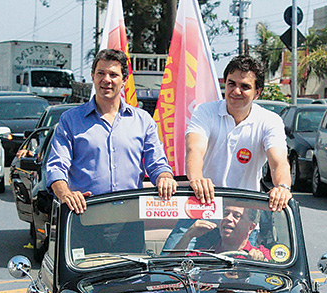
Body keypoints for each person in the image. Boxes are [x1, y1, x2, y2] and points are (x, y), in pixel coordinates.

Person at [45, 48, 176, 214]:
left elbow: (157, 164)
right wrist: (66, 194)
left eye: (113, 75)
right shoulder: (70, 120)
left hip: (129, 218)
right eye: (101, 73)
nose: (106, 80)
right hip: (84, 216)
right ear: (93, 77)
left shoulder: (143, 121)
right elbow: (56, 166)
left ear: (124, 80)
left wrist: (165, 178)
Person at [184, 55, 292, 212]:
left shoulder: (270, 120)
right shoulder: (204, 111)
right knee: (176, 238)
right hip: (202, 203)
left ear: (257, 93)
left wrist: (282, 187)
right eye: (231, 84)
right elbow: (194, 149)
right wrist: (197, 179)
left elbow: (278, 161)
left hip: (244, 212)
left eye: (245, 87)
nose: (236, 91)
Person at [172, 204, 270, 261]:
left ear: (250, 227)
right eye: (226, 214)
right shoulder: (203, 255)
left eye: (237, 216)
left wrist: (261, 262)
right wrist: (188, 235)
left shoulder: (262, 253)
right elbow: (172, 273)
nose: (228, 218)